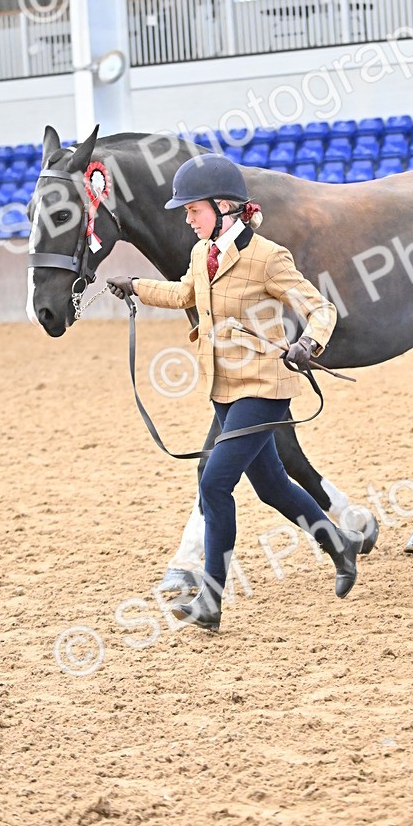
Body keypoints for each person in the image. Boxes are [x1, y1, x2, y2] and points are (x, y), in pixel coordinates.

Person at [107, 154, 363, 631]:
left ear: (224, 206)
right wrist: (136, 286)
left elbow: (319, 307)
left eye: (193, 210)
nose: (186, 217)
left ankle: (211, 597)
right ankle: (340, 544)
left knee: (214, 482)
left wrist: (310, 341)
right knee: (271, 488)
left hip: (265, 386)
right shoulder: (201, 254)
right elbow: (186, 294)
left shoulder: (268, 257)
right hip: (224, 387)